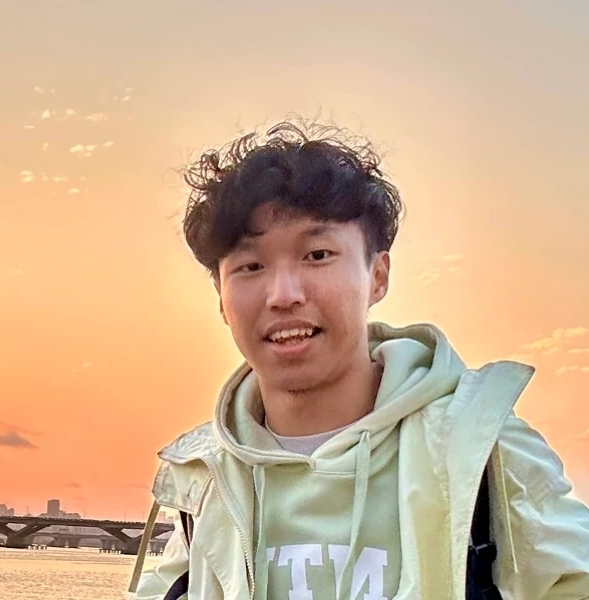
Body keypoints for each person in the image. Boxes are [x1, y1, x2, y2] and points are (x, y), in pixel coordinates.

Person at [128, 118, 589, 599]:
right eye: (250, 266)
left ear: (378, 276)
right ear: (221, 299)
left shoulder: (479, 455)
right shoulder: (207, 484)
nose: (283, 294)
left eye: (317, 255)